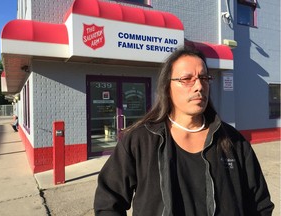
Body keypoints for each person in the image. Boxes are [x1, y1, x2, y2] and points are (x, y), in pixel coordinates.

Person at [94, 47, 274, 215]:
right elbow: (108, 202)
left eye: (204, 78)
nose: (198, 86)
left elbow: (260, 204)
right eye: (187, 79)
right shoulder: (140, 141)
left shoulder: (233, 141)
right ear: (167, 87)